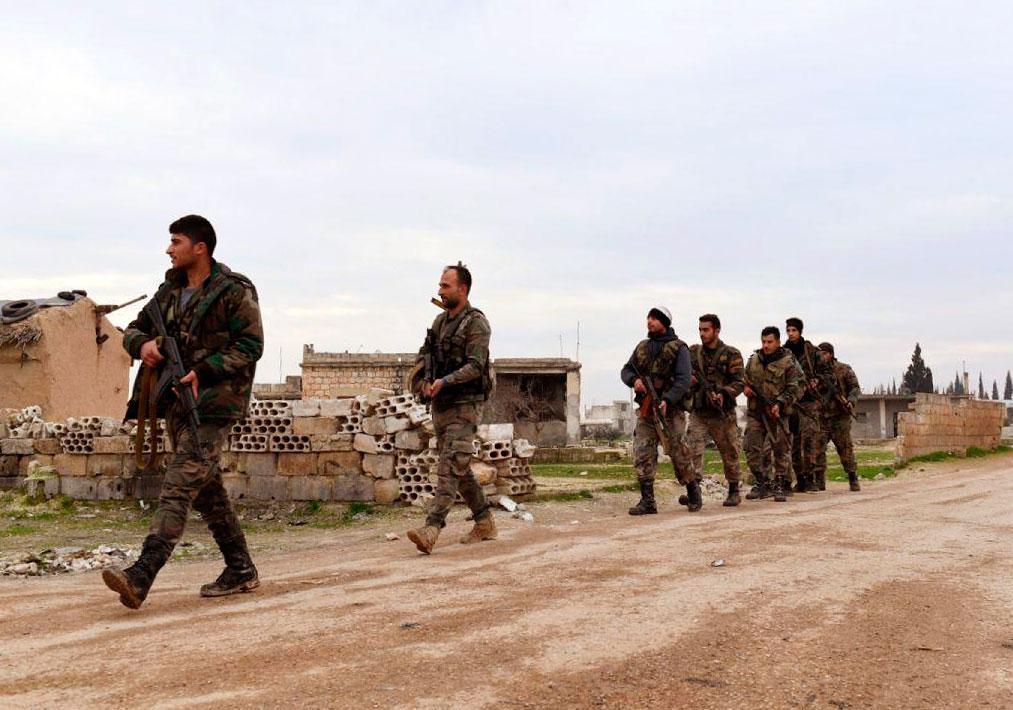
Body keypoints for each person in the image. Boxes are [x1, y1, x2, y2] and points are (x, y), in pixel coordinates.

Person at [103, 215, 263, 609]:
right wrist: (144, 346)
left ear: (200, 248)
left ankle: (141, 574)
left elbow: (251, 345)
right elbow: (132, 330)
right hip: (174, 401)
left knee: (178, 485)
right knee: (207, 491)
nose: (168, 249)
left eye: (176, 242)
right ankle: (241, 569)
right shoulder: (168, 291)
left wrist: (204, 370)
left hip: (212, 404)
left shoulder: (233, 290)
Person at [407, 263, 497, 554]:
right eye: (440, 285)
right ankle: (484, 520)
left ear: (463, 289)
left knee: (449, 467)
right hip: (442, 405)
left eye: (446, 286)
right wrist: (422, 383)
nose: (440, 291)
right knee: (459, 466)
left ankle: (432, 528)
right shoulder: (439, 323)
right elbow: (424, 356)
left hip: (466, 405)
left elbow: (475, 366)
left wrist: (445, 381)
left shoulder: (476, 324)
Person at [620, 306, 696, 514]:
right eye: (648, 318)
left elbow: (683, 380)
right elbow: (626, 370)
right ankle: (648, 501)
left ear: (664, 322)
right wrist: (634, 380)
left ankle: (693, 491)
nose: (650, 322)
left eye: (655, 318)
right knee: (642, 452)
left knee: (677, 451)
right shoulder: (642, 347)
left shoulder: (679, 348)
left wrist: (667, 399)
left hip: (670, 411)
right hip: (646, 410)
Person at [686, 314, 745, 506]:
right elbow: (683, 373)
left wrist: (724, 393)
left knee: (729, 451)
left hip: (722, 413)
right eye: (700, 330)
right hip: (699, 412)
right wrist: (690, 381)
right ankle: (694, 492)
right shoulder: (694, 353)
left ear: (717, 331)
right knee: (693, 451)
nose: (702, 333)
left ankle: (734, 490)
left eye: (706, 330)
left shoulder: (731, 354)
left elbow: (739, 383)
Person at [743, 326, 804, 502]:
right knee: (751, 447)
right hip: (756, 412)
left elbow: (793, 387)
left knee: (780, 450)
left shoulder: (787, 362)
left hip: (778, 414)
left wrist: (780, 403)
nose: (766, 345)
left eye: (770, 342)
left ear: (777, 342)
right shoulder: (754, 360)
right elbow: (743, 379)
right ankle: (762, 481)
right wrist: (745, 388)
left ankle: (780, 483)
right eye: (763, 341)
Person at [784, 317, 828, 493]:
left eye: (793, 330)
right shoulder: (784, 352)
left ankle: (810, 477)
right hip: (792, 402)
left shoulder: (811, 351)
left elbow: (827, 373)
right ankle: (800, 478)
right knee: (794, 442)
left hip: (809, 401)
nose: (791, 333)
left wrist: (817, 380)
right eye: (788, 330)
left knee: (809, 439)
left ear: (800, 332)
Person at [813, 342, 863, 491]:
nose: (821, 357)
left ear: (830, 354)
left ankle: (853, 477)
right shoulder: (815, 372)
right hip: (822, 416)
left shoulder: (843, 369)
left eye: (823, 354)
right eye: (819, 354)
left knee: (845, 448)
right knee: (817, 449)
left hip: (840, 416)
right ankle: (819, 480)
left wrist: (850, 402)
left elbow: (855, 388)